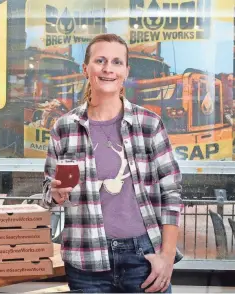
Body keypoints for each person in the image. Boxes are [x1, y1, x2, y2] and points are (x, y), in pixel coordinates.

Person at [42, 34, 183, 293]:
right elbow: (49, 192)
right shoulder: (64, 127)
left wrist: (167, 257)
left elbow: (171, 193)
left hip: (143, 258)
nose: (108, 68)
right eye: (100, 60)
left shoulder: (149, 124)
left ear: (126, 71)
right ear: (86, 69)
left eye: (117, 62)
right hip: (86, 261)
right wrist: (55, 193)